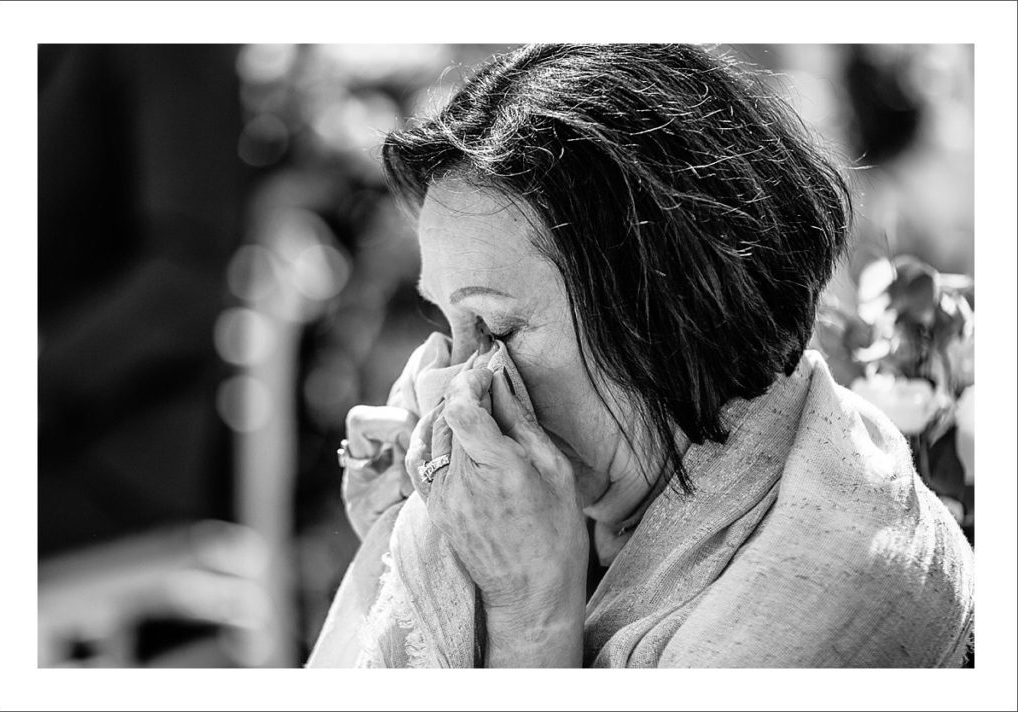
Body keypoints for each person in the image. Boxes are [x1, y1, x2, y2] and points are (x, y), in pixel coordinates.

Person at [307, 44, 974, 668]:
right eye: (448, 324)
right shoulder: (630, 505)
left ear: (664, 313)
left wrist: (531, 614)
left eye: (495, 329)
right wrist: (405, 530)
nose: (449, 386)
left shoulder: (828, 584)